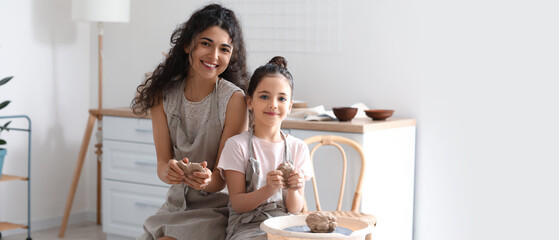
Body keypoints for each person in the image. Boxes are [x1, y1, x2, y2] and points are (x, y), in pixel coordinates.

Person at [131, 4, 249, 240]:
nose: (214, 56)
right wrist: (170, 172)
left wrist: (206, 180)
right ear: (187, 45)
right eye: (206, 43)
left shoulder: (234, 100)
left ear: (231, 55)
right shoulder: (161, 95)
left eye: (224, 49)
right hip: (175, 206)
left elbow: (220, 181)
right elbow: (162, 164)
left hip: (217, 209)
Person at [217, 56, 313, 240]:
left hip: (286, 226)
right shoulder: (236, 145)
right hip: (247, 227)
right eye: (264, 96)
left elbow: (294, 209)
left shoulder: (298, 147)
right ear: (250, 102)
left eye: (282, 98)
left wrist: (294, 189)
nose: (273, 104)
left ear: (290, 106)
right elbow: (238, 204)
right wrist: (268, 189)